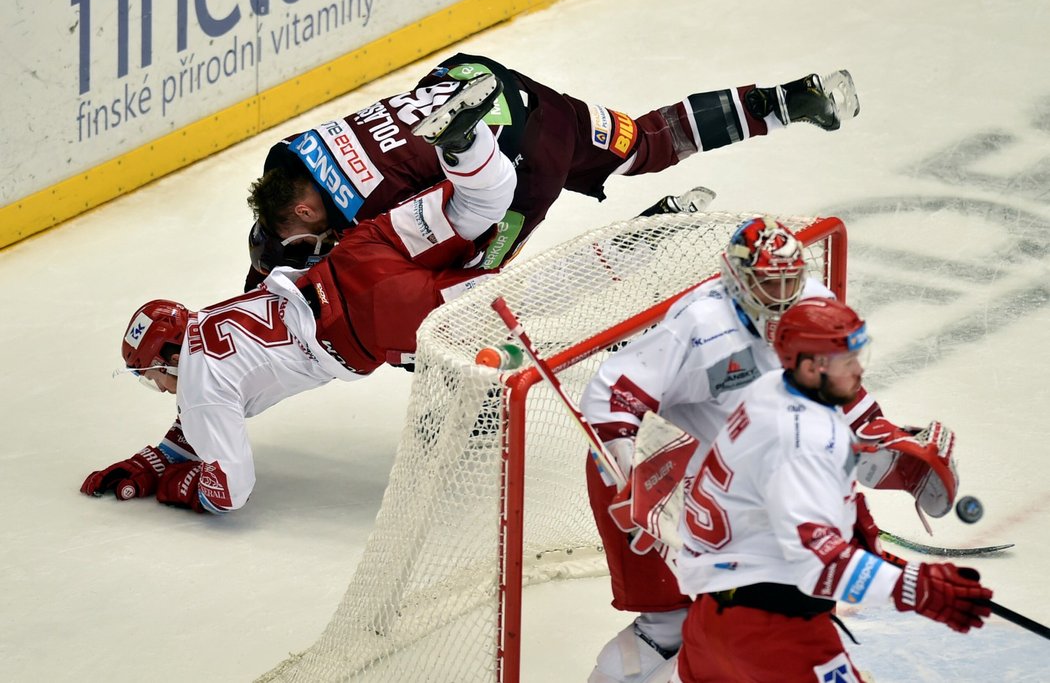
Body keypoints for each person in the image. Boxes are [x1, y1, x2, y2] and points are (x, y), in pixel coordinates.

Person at [80, 81, 516, 514]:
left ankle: (584, 272)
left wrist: (183, 487)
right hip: (356, 254)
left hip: (361, 323)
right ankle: (467, 145)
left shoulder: (198, 388)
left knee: (502, 312)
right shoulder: (207, 322)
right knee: (477, 204)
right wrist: (162, 456)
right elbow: (212, 400)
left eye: (148, 375)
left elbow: (230, 491)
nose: (156, 387)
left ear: (169, 355)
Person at [578, 217, 960, 682]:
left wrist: (880, 434)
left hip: (736, 501)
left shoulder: (813, 311)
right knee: (685, 623)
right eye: (768, 285)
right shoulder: (701, 325)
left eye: (789, 282)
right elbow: (610, 395)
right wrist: (629, 476)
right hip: (674, 489)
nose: (781, 298)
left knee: (700, 626)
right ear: (735, 279)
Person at [242, 52, 862, 291]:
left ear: (303, 209)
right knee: (644, 141)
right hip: (515, 95)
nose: (310, 246)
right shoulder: (298, 151)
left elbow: (438, 217)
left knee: (466, 297)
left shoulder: (359, 205)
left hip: (525, 164)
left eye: (302, 236)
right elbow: (285, 231)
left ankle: (651, 231)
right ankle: (788, 100)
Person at [670, 298, 993, 682]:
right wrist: (914, 587)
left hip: (711, 622)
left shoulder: (771, 390)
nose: (859, 370)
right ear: (810, 366)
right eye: (846, 361)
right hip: (774, 635)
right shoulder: (803, 441)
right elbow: (819, 564)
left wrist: (852, 535)